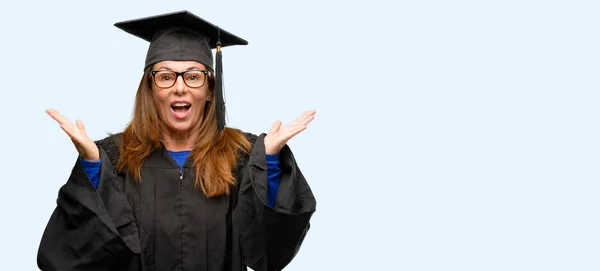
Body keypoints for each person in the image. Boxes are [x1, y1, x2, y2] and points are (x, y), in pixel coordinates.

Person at [37, 10, 317, 271]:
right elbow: (71, 257)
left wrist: (266, 165)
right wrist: (93, 168)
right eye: (166, 77)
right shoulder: (115, 159)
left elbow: (269, 253)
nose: (180, 87)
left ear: (210, 90)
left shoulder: (242, 159)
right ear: (150, 88)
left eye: (194, 76)